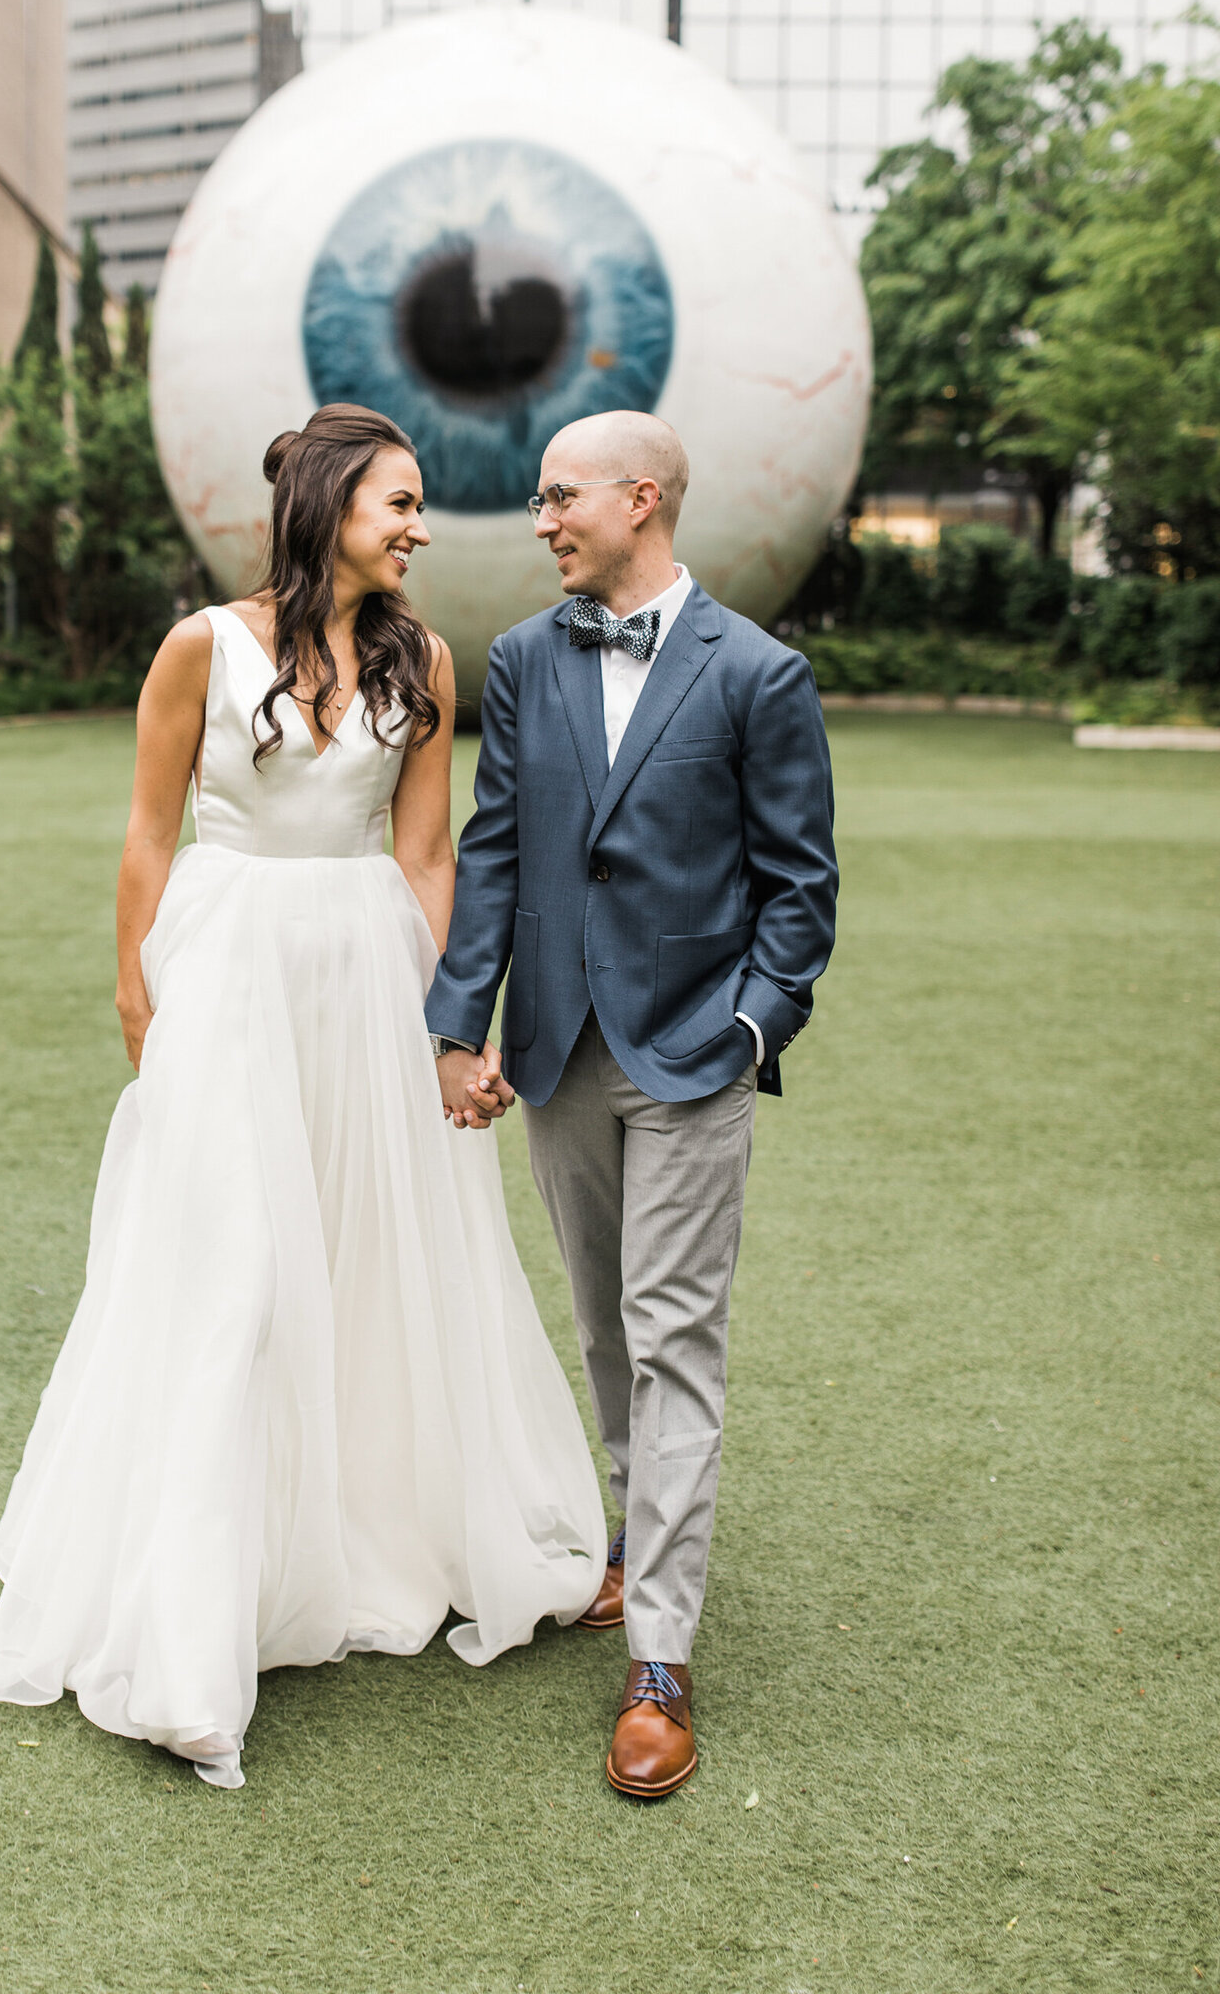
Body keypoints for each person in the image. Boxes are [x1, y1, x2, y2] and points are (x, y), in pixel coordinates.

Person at [0, 404, 605, 1788]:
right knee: (233, 1276)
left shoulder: (426, 659)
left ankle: (358, 1529)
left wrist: (445, 1020)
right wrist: (140, 995)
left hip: (368, 980)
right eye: (399, 504)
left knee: (372, 1261)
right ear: (327, 508)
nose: (419, 527)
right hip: (230, 978)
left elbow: (427, 854)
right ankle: (190, 1638)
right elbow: (147, 831)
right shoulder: (203, 645)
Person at [425, 411, 838, 1799]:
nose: (541, 520)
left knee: (674, 1338)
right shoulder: (529, 661)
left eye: (559, 497)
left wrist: (746, 1027)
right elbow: (493, 854)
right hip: (553, 1053)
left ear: (640, 497)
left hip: (692, 1061)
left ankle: (659, 1656)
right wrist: (455, 1027)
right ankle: (628, 1538)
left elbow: (800, 891)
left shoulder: (761, 675)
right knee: (605, 1328)